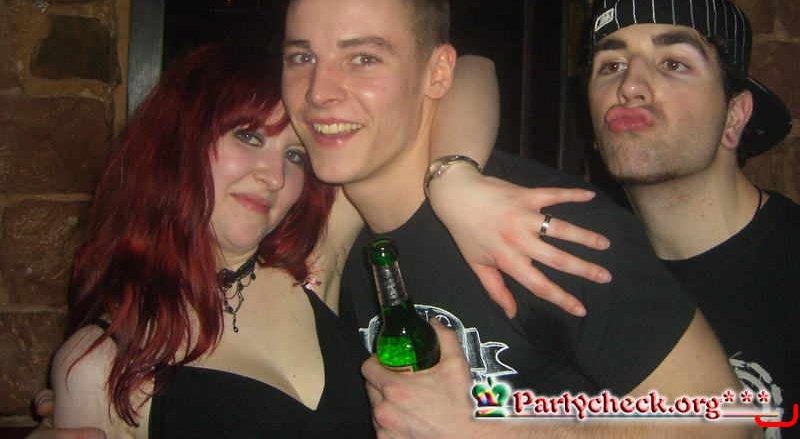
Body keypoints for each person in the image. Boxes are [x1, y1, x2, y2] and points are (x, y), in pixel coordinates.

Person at [280, 0, 758, 436]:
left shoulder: (551, 226)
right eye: (301, 58)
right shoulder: (331, 233)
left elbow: (730, 423)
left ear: (438, 72)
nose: (319, 92)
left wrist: (487, 430)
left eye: (363, 58)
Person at [44, 37, 609, 437]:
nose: (274, 175)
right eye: (248, 136)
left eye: (295, 154)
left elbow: (469, 69)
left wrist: (455, 180)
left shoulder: (308, 267)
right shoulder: (101, 365)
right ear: (177, 141)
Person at [586, 0, 799, 434]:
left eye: (673, 63)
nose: (630, 86)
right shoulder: (589, 268)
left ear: (734, 116)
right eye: (611, 64)